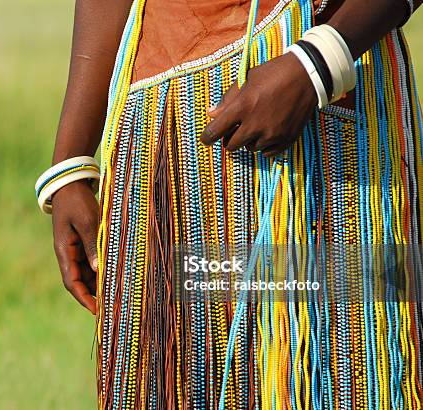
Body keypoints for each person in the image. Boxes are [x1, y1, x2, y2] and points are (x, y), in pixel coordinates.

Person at [37, 0, 423, 407]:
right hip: (159, 126)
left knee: (346, 373)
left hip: (318, 104)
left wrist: (317, 63)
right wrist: (71, 160)